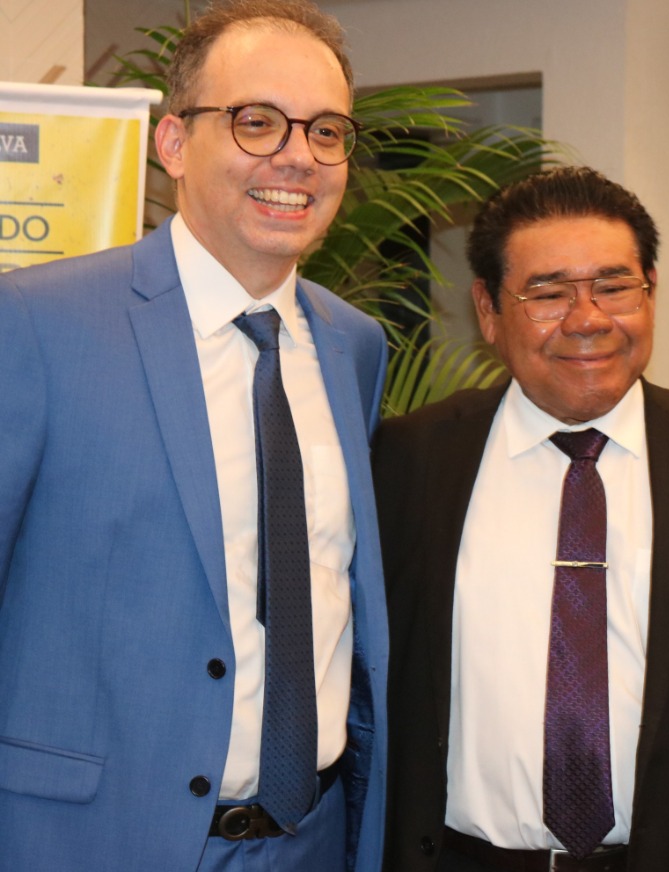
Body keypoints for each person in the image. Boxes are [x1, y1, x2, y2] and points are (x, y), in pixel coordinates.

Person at [0, 2, 388, 870]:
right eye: (257, 121)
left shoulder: (355, 347)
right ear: (173, 142)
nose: (298, 155)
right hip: (88, 843)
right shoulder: (33, 325)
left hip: (309, 842)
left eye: (326, 131)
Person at [374, 166, 669, 872]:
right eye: (548, 293)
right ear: (488, 311)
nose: (588, 319)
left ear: (650, 292)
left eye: (614, 287)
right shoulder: (414, 458)